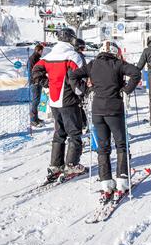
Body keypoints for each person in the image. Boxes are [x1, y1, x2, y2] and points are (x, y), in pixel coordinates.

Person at [69, 39, 141, 200]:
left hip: (97, 111)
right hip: (114, 110)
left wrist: (81, 90)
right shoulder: (118, 64)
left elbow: (73, 75)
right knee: (121, 144)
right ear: (116, 52)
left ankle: (106, 182)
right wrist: (126, 90)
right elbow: (136, 73)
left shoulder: (93, 64)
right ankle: (122, 180)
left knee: (103, 147)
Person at [32, 28, 87, 178]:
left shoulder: (49, 55)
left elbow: (35, 70)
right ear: (70, 39)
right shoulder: (72, 56)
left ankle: (56, 165)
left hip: (54, 100)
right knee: (74, 133)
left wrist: (46, 83)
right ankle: (72, 165)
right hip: (69, 100)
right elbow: (81, 76)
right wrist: (83, 91)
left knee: (59, 133)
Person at [28, 43, 45, 127]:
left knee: (37, 101)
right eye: (41, 51)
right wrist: (34, 81)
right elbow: (32, 71)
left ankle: (36, 117)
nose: (42, 52)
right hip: (35, 82)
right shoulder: (32, 59)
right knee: (35, 101)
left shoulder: (37, 58)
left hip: (38, 81)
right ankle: (33, 120)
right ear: (38, 50)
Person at [74, 38, 89, 130]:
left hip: (78, 83)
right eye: (82, 48)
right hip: (79, 83)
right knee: (79, 105)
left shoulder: (78, 56)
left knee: (79, 104)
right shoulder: (78, 57)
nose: (83, 50)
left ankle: (82, 123)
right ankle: (82, 124)